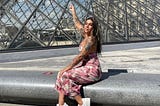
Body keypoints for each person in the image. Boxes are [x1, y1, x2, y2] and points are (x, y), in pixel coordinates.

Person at [55, 4, 102, 106]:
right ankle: (61, 103)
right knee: (61, 76)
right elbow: (77, 24)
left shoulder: (92, 40)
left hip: (92, 70)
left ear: (94, 28)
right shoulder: (85, 35)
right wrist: (73, 12)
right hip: (85, 67)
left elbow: (80, 57)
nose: (86, 26)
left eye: (90, 24)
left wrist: (65, 68)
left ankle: (81, 103)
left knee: (65, 74)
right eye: (86, 24)